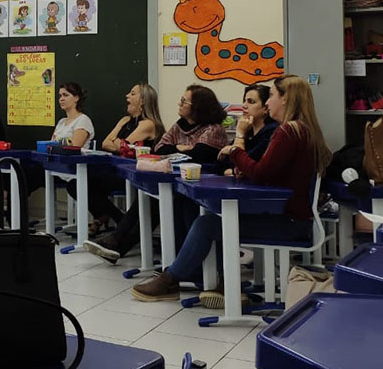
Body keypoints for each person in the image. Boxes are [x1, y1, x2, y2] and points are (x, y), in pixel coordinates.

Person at [130, 74, 333, 304]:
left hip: (289, 222)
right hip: (294, 218)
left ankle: (172, 280)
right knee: (216, 220)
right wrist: (245, 166)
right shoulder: (302, 130)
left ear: (285, 99)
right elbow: (269, 171)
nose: (268, 102)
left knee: (208, 224)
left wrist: (236, 148)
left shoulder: (287, 132)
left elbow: (260, 172)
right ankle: (222, 283)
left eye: (272, 96)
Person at [83, 84, 228, 263]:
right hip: (177, 180)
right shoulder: (180, 125)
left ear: (197, 107)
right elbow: (160, 148)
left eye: (184, 101)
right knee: (150, 197)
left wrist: (176, 149)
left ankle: (118, 242)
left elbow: (197, 156)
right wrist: (181, 148)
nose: (179, 103)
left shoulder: (213, 129)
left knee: (156, 201)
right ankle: (117, 243)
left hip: (201, 184)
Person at [66, 82, 164, 236]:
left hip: (133, 173)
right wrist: (119, 138)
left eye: (132, 94)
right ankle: (118, 218)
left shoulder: (147, 124)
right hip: (116, 169)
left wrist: (119, 143)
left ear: (143, 101)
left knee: (86, 183)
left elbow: (124, 147)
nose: (127, 96)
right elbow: (106, 143)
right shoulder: (125, 120)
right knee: (75, 184)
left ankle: (117, 222)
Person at [215, 84, 277, 176]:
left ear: (266, 108)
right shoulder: (248, 130)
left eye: (251, 102)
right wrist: (231, 171)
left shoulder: (271, 132)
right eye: (244, 101)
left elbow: (246, 165)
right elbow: (220, 163)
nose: (244, 105)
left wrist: (240, 135)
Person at [51, 82, 94, 147]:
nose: (61, 99)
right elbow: (50, 144)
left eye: (65, 95)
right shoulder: (61, 122)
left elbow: (74, 148)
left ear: (76, 98)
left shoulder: (83, 120)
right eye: (60, 96)